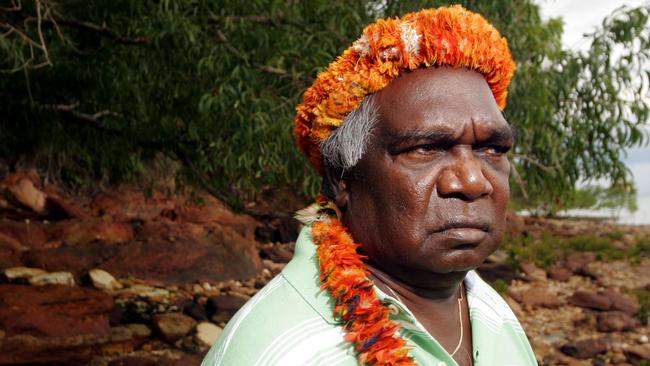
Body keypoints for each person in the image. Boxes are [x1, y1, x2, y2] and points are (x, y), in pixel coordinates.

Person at [202, 5, 537, 366]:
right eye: (426, 148)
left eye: (492, 148)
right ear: (341, 177)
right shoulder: (284, 354)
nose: (472, 181)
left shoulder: (488, 309)